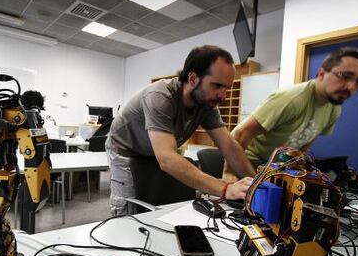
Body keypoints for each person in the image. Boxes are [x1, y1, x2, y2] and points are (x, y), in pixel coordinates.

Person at [106, 45, 255, 216]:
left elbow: (228, 146)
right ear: (192, 79)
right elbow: (167, 159)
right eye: (217, 86)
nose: (223, 96)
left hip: (152, 151)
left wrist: (258, 184)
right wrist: (225, 189)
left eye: (227, 88)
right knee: (128, 209)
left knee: (158, 199)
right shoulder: (160, 97)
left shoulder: (206, 104)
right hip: (125, 150)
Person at [224, 47, 358, 181]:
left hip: (276, 166)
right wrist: (229, 173)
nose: (351, 86)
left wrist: (294, 166)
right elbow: (239, 134)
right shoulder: (291, 99)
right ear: (322, 73)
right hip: (248, 160)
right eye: (345, 76)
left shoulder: (334, 108)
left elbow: (308, 138)